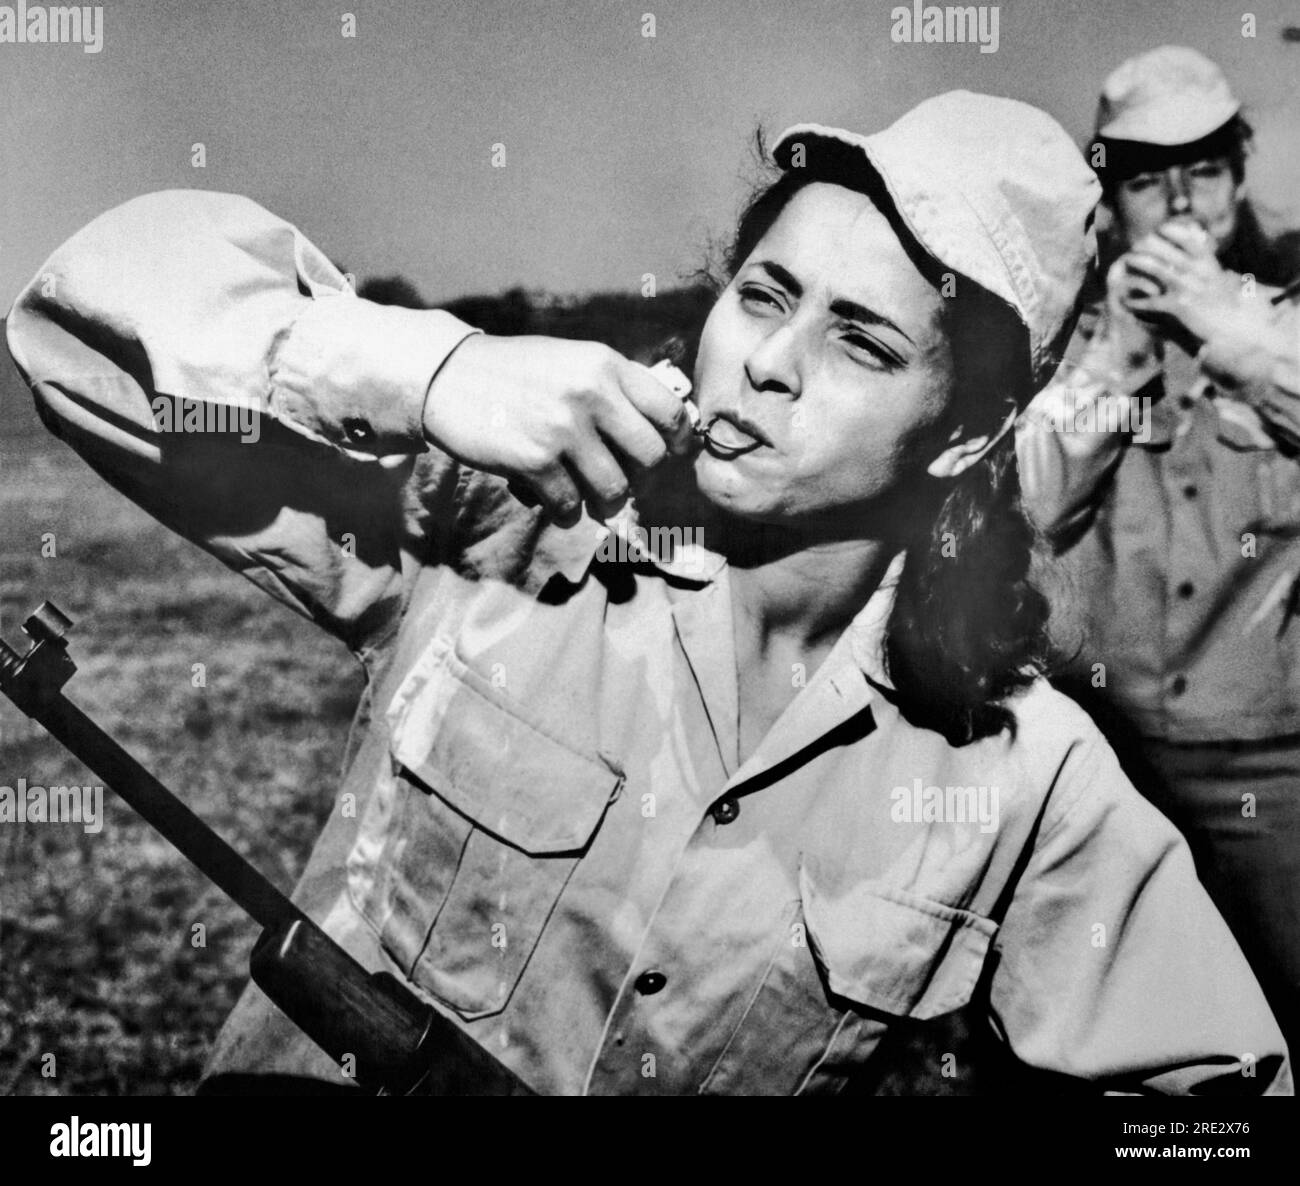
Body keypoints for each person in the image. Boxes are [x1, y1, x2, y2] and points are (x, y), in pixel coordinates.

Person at [7, 90, 1290, 1095]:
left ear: (962, 435)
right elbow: (78, 329)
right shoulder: (513, 525)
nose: (769, 365)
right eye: (765, 294)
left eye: (860, 339)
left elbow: (1220, 1102)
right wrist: (439, 372)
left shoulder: (1021, 770)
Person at [1017, 45, 1300, 1058]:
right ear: (1109, 199)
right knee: (1134, 1050)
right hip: (1107, 763)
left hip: (1278, 768)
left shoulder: (1281, 328)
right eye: (1145, 179)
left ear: (1238, 175)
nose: (1178, 203)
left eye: (1204, 171)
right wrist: (1121, 354)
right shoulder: (1061, 348)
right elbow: (1021, 511)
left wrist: (1227, 331)